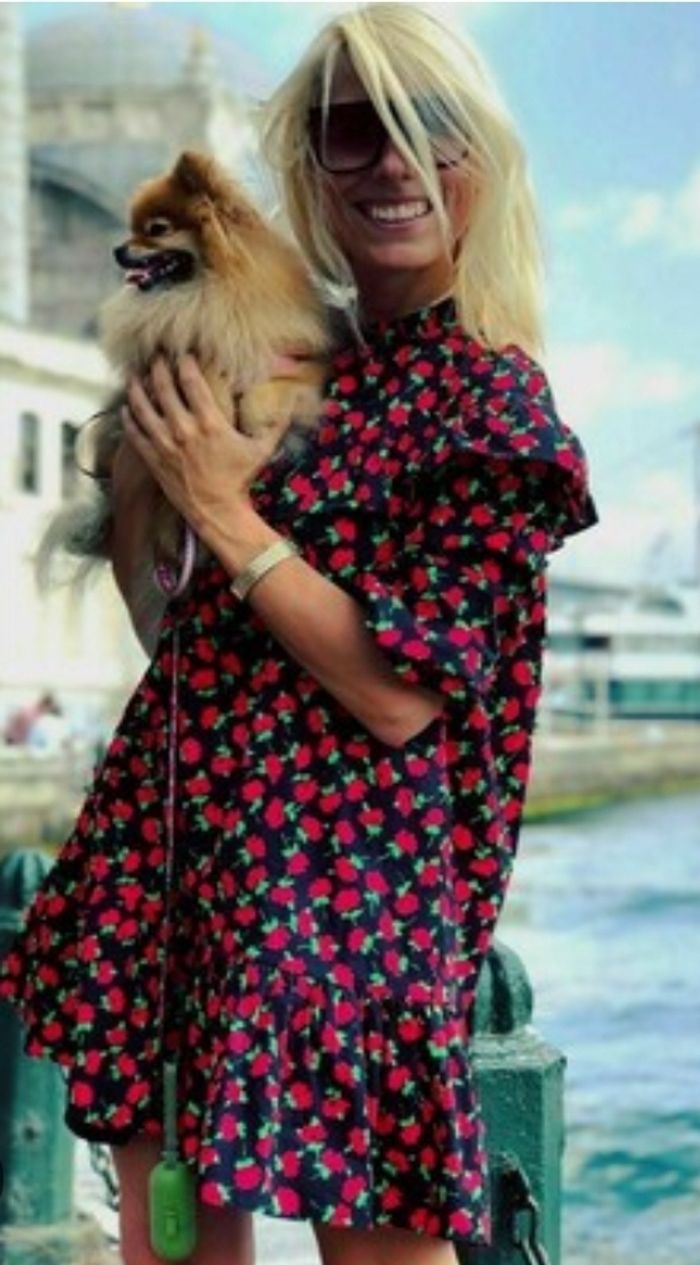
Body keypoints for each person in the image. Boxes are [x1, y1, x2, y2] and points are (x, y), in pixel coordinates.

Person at [0, 6, 598, 1265]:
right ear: (309, 166)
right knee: (167, 1248)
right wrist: (154, 495)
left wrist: (223, 508)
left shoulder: (489, 399)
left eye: (427, 127)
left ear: (481, 156)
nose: (391, 161)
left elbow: (399, 694)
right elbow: (188, 639)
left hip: (350, 910)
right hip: (167, 866)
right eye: (349, 131)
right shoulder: (283, 358)